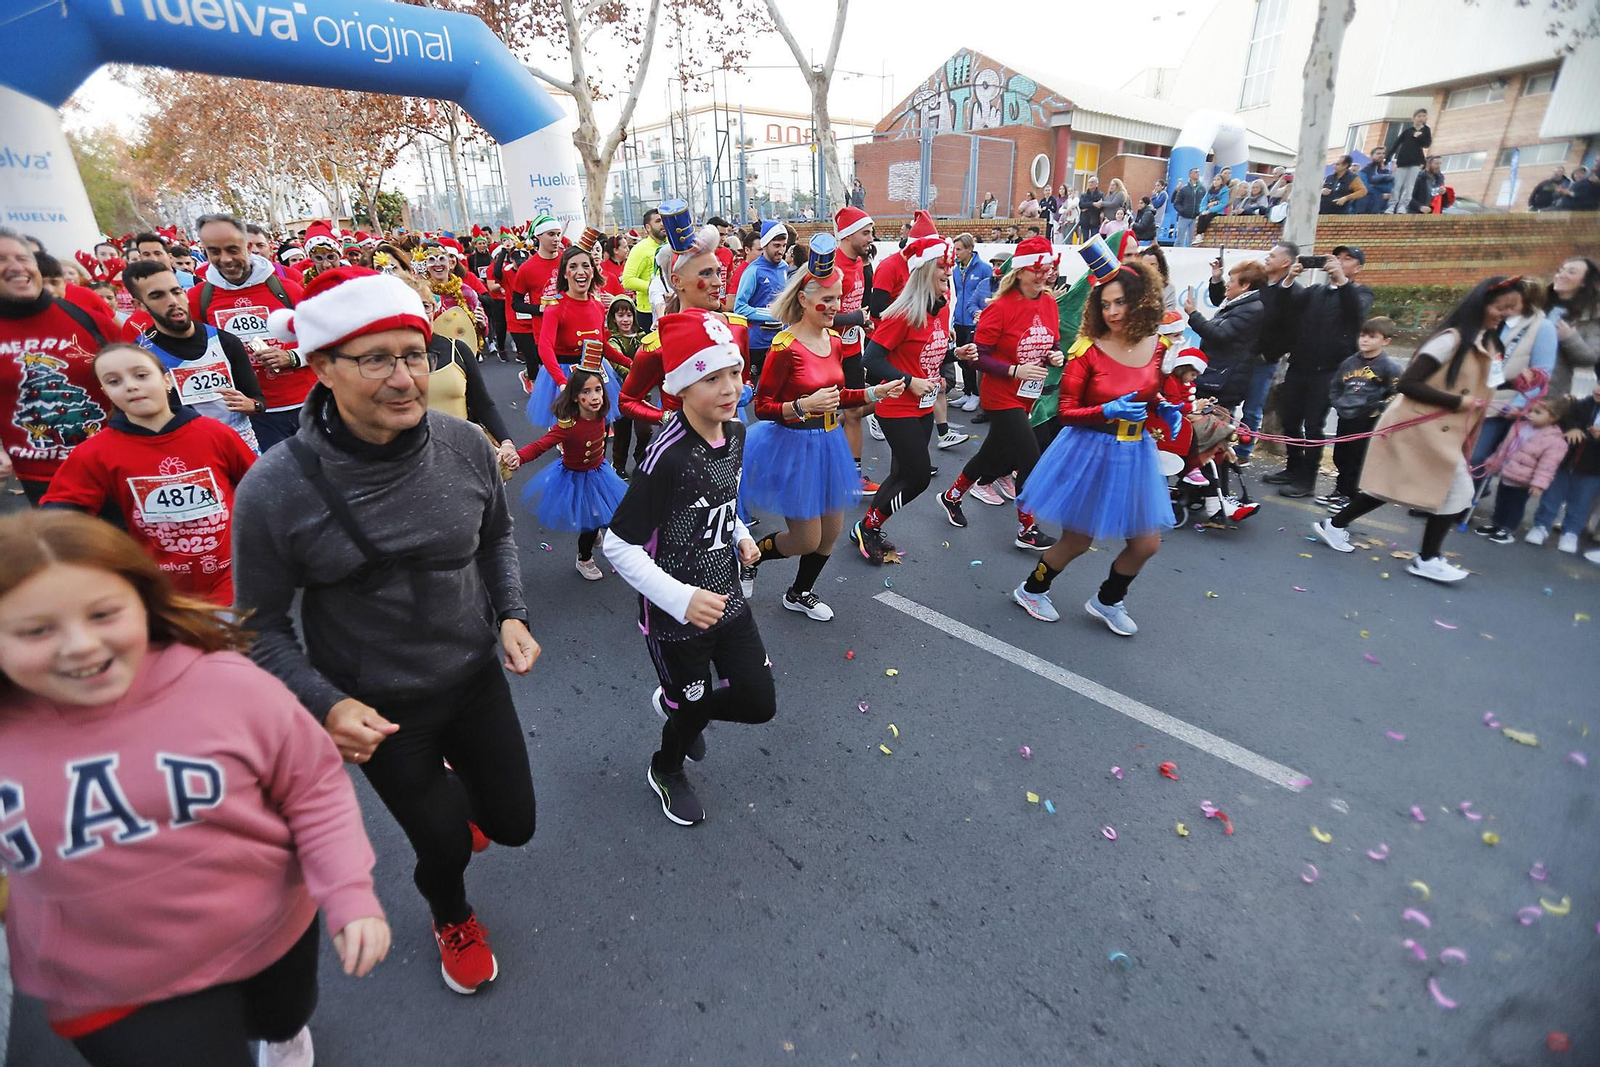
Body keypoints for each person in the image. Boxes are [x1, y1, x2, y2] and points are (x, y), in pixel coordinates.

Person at [231, 265, 539, 995]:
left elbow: (495, 537)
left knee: (516, 823)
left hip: (471, 675)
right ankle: (452, 914)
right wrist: (326, 703)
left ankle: (455, 804)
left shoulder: (464, 445)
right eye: (377, 359)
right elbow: (259, 629)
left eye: (415, 353)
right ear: (322, 367)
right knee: (440, 842)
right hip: (379, 709)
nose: (406, 377)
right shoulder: (274, 490)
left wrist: (513, 613)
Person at [0, 509, 390, 1067]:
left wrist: (350, 891)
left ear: (143, 601)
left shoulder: (226, 685)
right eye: (37, 630)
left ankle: (283, 1034)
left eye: (104, 613)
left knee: (281, 1015)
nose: (80, 645)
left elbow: (314, 788)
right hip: (111, 986)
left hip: (268, 932)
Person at [604, 308, 773, 826]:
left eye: (734, 373)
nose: (729, 388)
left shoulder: (738, 432)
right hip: (676, 618)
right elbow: (618, 546)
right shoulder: (665, 455)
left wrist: (741, 534)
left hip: (727, 595)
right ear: (679, 387)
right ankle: (666, 767)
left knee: (758, 701)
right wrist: (679, 598)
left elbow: (722, 498)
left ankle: (682, 708)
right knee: (687, 708)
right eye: (710, 377)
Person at [1311, 276, 1526, 582]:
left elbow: (1488, 381)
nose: (1505, 314)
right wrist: (1459, 402)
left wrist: (1516, 382)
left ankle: (1334, 525)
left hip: (1442, 430)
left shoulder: (1489, 341)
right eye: (1502, 307)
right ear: (1482, 302)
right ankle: (1427, 558)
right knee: (1458, 491)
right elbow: (1409, 383)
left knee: (1389, 485)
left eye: (1512, 310)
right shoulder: (1450, 339)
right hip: (1418, 426)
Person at [1010, 262, 1180, 633]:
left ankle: (1108, 599)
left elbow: (1150, 394)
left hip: (1135, 453)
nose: (1112, 312)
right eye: (1105, 305)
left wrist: (1164, 407)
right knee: (1077, 539)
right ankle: (1032, 589)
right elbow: (1067, 412)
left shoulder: (1159, 346)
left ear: (1142, 301)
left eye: (1120, 302)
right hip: (1090, 450)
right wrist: (1107, 409)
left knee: (1146, 543)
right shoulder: (1087, 349)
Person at [743, 235, 906, 619]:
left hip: (829, 443)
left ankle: (799, 592)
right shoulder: (783, 349)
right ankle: (749, 557)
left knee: (830, 533)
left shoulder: (833, 341)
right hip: (794, 447)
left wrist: (874, 391)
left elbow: (839, 394)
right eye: (829, 299)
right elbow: (762, 407)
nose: (837, 307)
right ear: (803, 299)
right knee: (805, 538)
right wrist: (800, 406)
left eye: (839, 298)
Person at [41, 343, 257, 604]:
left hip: (233, 584)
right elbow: (58, 518)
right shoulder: (96, 452)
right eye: (114, 381)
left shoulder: (215, 434)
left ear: (167, 381)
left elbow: (261, 490)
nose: (131, 386)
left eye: (141, 375)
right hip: (159, 596)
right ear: (105, 392)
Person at [937, 235, 1061, 551]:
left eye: (1047, 269)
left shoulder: (1048, 302)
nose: (1044, 276)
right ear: (1020, 272)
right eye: (1038, 270)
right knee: (1031, 457)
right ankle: (1027, 529)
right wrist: (1013, 370)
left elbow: (1051, 342)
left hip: (1028, 396)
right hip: (1001, 396)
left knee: (990, 455)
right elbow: (979, 354)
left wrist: (1056, 355)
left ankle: (952, 496)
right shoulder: (1000, 308)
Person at [852, 232, 966, 565]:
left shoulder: (941, 309)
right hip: (897, 405)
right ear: (924, 271)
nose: (948, 271)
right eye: (942, 266)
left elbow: (931, 354)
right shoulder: (903, 313)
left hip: (924, 406)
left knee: (901, 475)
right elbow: (870, 359)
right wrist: (909, 381)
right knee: (916, 478)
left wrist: (956, 354)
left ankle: (867, 528)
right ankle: (868, 526)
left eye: (950, 265)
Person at [0, 228, 115, 502]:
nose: (16, 267)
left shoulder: (88, 320)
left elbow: (145, 377)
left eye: (23, 258)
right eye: (2, 260)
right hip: (38, 482)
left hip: (112, 469)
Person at [189, 214, 308, 451]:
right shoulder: (198, 298)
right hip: (253, 416)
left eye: (233, 249)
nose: (225, 259)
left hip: (306, 404)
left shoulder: (287, 290)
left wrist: (292, 357)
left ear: (250, 246)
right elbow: (196, 358)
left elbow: (326, 343)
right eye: (214, 251)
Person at [119, 258, 264, 452]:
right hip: (190, 453)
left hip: (242, 448)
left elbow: (257, 399)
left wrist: (252, 406)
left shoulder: (225, 341)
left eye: (176, 291)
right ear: (141, 305)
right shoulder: (140, 355)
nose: (172, 301)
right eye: (157, 296)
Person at [1263, 245, 1373, 496]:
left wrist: (1342, 281)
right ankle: (1293, 467)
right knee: (1290, 420)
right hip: (1300, 365)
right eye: (1337, 258)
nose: (1341, 262)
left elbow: (1356, 314)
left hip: (1329, 371)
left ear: (1358, 268)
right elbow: (1284, 306)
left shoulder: (1361, 292)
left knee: (1314, 425)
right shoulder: (1316, 291)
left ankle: (1307, 480)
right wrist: (1290, 277)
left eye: (1348, 259)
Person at [516, 345, 628, 581]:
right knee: (591, 520)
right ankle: (584, 558)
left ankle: (594, 531)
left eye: (598, 389)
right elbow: (541, 445)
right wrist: (519, 456)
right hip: (575, 477)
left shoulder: (603, 414)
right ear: (576, 396)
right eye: (586, 392)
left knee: (604, 515)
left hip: (599, 473)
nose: (595, 396)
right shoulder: (568, 425)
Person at [395, 273, 517, 472]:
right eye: (411, 305)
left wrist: (507, 443)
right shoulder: (386, 359)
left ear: (434, 308)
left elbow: (482, 403)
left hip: (464, 456)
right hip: (412, 463)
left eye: (425, 306)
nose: (419, 312)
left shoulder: (457, 349)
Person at [528, 243, 617, 428]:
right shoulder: (555, 307)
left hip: (596, 374)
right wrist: (562, 382)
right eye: (573, 266)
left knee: (598, 431)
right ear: (565, 273)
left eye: (586, 265)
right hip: (565, 376)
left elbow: (602, 345)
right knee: (572, 436)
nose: (580, 271)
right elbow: (545, 348)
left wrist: (631, 363)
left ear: (593, 270)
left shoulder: (598, 305)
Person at [1321, 316, 1403, 511]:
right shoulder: (1349, 363)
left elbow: (1397, 393)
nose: (1365, 340)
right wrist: (1338, 403)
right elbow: (1336, 386)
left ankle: (1351, 494)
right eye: (1363, 335)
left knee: (1356, 458)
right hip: (1346, 415)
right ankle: (1339, 491)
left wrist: (1379, 406)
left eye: (1372, 336)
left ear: (1386, 341)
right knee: (1340, 455)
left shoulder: (1389, 367)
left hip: (1367, 419)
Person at [1473, 396, 1570, 543]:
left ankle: (1508, 529)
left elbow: (1548, 466)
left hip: (1524, 479)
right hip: (1508, 472)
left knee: (1515, 506)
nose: (1530, 414)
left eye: (1537, 413)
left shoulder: (1554, 441)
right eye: (1530, 410)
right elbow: (1504, 447)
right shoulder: (1520, 426)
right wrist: (1494, 461)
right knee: (1501, 501)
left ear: (1553, 418)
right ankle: (1497, 524)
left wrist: (1538, 484)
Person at [832, 206, 880, 489]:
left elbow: (853, 308)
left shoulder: (860, 264)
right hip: (826, 353)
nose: (870, 238)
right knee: (817, 415)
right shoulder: (832, 266)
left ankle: (854, 476)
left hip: (851, 349)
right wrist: (855, 318)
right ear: (848, 235)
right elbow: (813, 314)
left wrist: (862, 324)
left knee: (852, 412)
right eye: (866, 232)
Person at [1184, 259, 1267, 420]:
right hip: (1217, 374)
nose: (1227, 285)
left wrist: (1193, 315)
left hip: (1224, 380)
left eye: (1231, 281)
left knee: (1213, 430)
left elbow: (1220, 335)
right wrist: (1216, 279)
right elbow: (1219, 297)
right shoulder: (1236, 303)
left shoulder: (1251, 308)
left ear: (1245, 286)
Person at [1528, 379, 1600, 553]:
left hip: (1593, 469)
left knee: (1580, 504)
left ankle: (1571, 533)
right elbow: (1565, 419)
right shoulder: (1581, 405)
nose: (1598, 389)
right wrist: (1574, 428)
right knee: (1551, 497)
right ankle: (1541, 526)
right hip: (1565, 461)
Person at [507, 215, 564, 371]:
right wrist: (540, 309)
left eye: (558, 234)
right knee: (555, 383)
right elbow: (516, 304)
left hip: (570, 328)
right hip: (545, 334)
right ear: (538, 236)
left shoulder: (568, 261)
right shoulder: (527, 269)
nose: (556, 239)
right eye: (551, 234)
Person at [604, 294, 652, 476]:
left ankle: (640, 456)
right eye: (620, 315)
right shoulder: (613, 341)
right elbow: (617, 363)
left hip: (642, 394)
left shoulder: (643, 337)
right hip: (621, 394)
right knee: (622, 434)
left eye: (629, 315)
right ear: (613, 319)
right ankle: (618, 466)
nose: (625, 320)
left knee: (645, 430)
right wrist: (639, 375)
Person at [734, 219, 791, 371]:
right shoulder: (753, 271)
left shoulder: (784, 267)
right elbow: (739, 308)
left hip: (780, 340)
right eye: (776, 246)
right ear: (765, 245)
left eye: (784, 246)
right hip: (757, 344)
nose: (781, 250)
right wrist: (772, 314)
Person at [952, 233, 994, 413]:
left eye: (959, 249)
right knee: (960, 359)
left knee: (972, 360)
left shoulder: (984, 269)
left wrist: (982, 315)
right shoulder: (955, 269)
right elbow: (958, 294)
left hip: (974, 323)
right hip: (959, 320)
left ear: (970, 249)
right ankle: (967, 392)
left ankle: (976, 394)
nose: (956, 253)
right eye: (955, 249)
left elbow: (991, 295)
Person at [1546, 256, 1599, 396]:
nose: (1561, 275)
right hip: (1515, 383)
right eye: (1561, 270)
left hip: (1552, 391)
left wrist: (1569, 338)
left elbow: (1590, 358)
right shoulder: (1536, 304)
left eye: (1571, 272)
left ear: (1583, 282)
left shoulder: (1592, 316)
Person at [621, 207, 666, 332]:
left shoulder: (670, 245)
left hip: (671, 307)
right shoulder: (640, 249)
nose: (663, 224)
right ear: (648, 227)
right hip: (648, 312)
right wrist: (655, 288)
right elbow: (627, 280)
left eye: (664, 220)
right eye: (658, 221)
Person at [1386, 109, 1432, 214]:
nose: (1421, 118)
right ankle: (1392, 205)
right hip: (1402, 161)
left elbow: (1426, 144)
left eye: (1423, 116)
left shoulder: (1426, 130)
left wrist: (1419, 135)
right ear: (1414, 118)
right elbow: (1396, 144)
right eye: (1419, 116)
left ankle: (1403, 206)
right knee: (1397, 185)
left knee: (1409, 186)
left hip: (1415, 162)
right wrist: (1388, 158)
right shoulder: (1407, 131)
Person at [1171, 168, 1204, 248]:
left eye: (1198, 172)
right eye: (1196, 172)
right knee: (1180, 239)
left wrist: (1200, 211)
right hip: (1184, 217)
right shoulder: (1184, 189)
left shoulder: (1202, 189)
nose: (1198, 174)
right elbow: (1176, 203)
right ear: (1190, 174)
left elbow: (1205, 202)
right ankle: (1176, 254)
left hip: (1195, 218)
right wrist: (1182, 211)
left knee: (1191, 240)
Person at [1357, 146, 1393, 213]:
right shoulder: (1364, 171)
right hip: (1367, 206)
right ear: (1371, 156)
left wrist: (1375, 185)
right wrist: (1381, 195)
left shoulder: (1388, 172)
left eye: (1383, 153)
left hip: (1384, 207)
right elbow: (1365, 188)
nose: (1381, 155)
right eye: (1378, 153)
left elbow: (1389, 188)